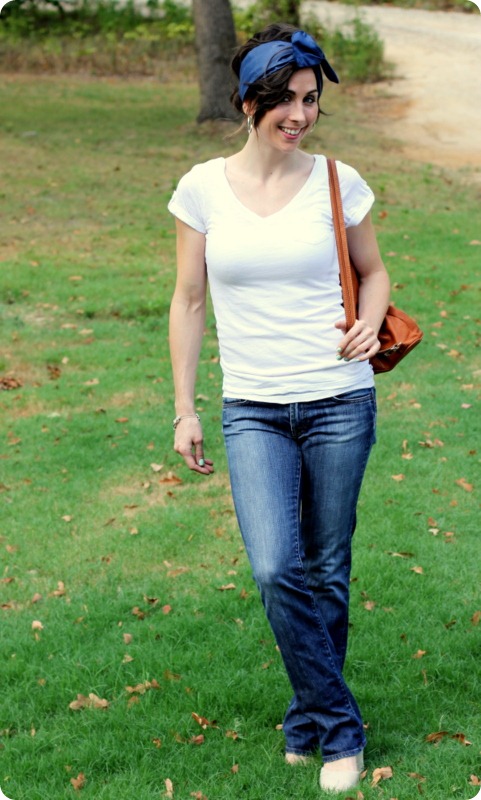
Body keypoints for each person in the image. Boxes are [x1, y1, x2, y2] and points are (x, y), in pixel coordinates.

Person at [168, 22, 390, 794]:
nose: (299, 115)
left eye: (310, 99)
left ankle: (310, 722)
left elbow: (373, 272)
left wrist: (369, 320)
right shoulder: (201, 188)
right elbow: (188, 299)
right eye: (284, 100)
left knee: (325, 569)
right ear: (247, 102)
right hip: (252, 408)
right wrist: (184, 408)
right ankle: (341, 727)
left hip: (338, 399)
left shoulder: (337, 179)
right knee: (273, 567)